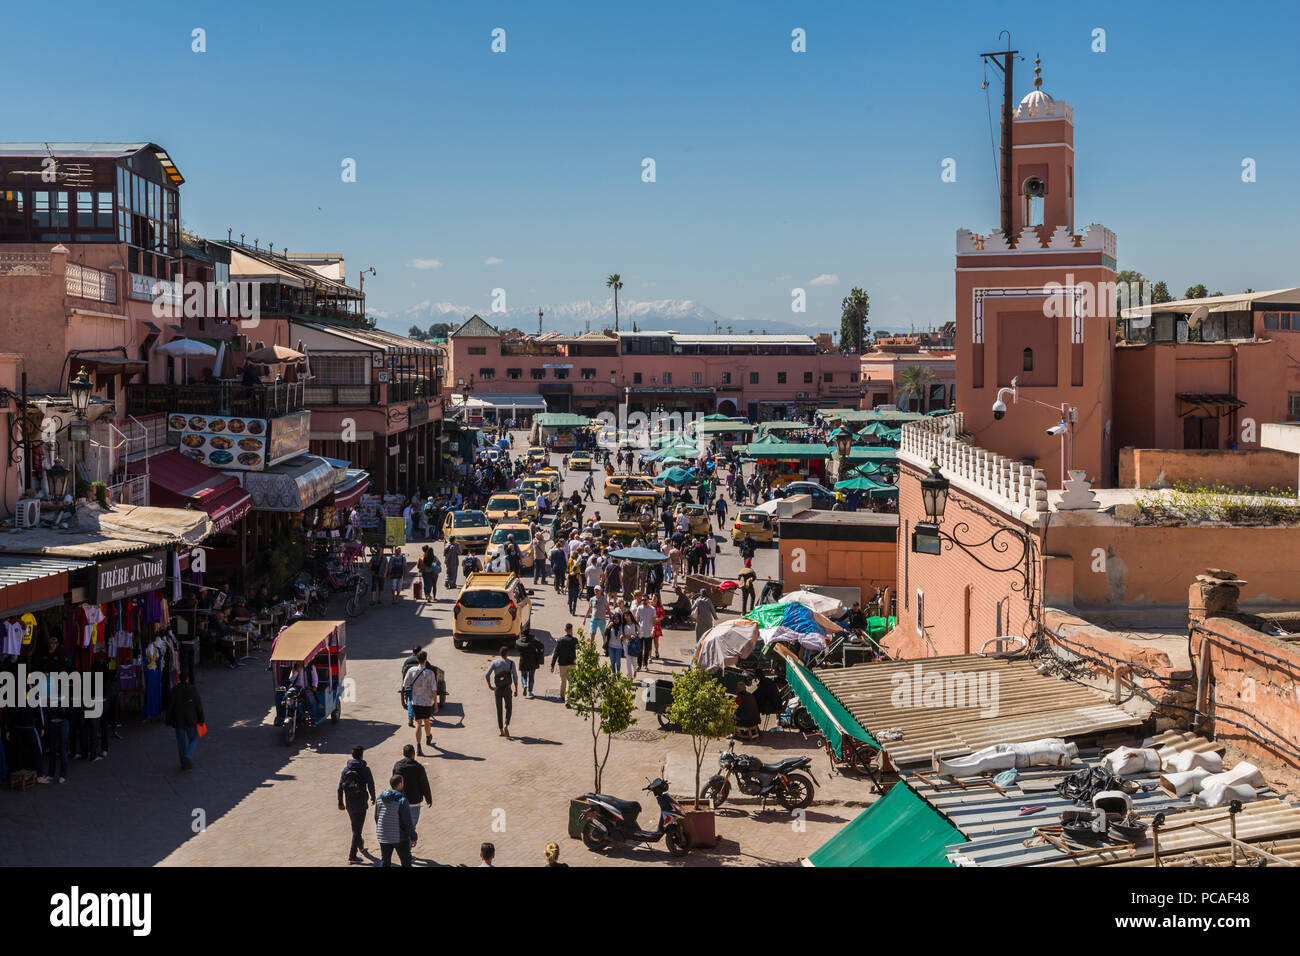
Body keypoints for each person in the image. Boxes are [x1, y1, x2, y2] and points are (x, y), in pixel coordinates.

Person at [338, 745, 377, 863]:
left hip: (349, 803)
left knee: (355, 826)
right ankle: (352, 856)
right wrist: (373, 797)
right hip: (361, 803)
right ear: (361, 755)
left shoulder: (345, 770)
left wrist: (340, 802)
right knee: (357, 830)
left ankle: (360, 845)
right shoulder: (365, 769)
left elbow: (340, 788)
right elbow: (371, 784)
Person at [374, 774, 417, 867]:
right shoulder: (402, 800)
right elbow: (407, 822)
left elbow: (377, 817)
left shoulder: (379, 799)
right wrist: (413, 837)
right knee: (406, 861)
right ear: (400, 784)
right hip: (399, 837)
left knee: (385, 861)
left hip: (383, 835)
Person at [166, 674, 205, 771]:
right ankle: (189, 754)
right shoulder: (193, 689)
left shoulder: (174, 690)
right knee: (193, 738)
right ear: (187, 678)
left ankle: (183, 764)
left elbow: (169, 707)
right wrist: (201, 720)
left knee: (180, 741)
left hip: (178, 720)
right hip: (191, 719)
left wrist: (168, 721)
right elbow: (199, 706)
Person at [403, 650, 438, 755]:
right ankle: (428, 737)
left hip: (416, 701)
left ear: (417, 660)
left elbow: (405, 685)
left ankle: (418, 746)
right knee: (427, 721)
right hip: (427, 702)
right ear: (426, 660)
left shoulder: (411, 670)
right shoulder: (430, 673)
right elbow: (434, 689)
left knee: (418, 723)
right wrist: (436, 703)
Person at [392, 744, 433, 834]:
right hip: (414, 802)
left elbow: (393, 783)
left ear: (403, 753)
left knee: (402, 827)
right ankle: (407, 846)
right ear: (413, 754)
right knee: (411, 829)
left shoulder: (397, 766)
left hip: (400, 801)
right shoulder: (418, 767)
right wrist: (428, 799)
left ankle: (403, 845)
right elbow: (424, 784)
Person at [486, 645, 519, 738]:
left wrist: (490, 686)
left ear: (500, 654)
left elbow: (487, 675)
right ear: (507, 654)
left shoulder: (495, 662)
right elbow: (515, 677)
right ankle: (506, 724)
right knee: (509, 707)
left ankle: (501, 730)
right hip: (507, 689)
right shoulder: (511, 663)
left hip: (498, 689)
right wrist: (516, 689)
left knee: (499, 709)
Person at [550, 622, 579, 705]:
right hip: (571, 663)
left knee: (563, 681)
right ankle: (567, 700)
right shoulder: (574, 640)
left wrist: (552, 665)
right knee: (570, 682)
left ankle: (562, 696)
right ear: (571, 630)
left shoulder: (560, 640)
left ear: (565, 630)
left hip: (562, 664)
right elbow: (579, 648)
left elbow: (556, 654)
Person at [515, 628, 545, 699]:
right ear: (529, 632)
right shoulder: (533, 641)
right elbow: (541, 646)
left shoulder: (519, 641)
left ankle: (524, 685)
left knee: (523, 675)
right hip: (532, 661)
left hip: (523, 661)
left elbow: (517, 649)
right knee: (531, 676)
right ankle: (530, 691)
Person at [635, 595, 656, 670]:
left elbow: (654, 620)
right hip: (640, 632)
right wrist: (636, 630)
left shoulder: (652, 609)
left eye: (645, 599)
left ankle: (645, 665)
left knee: (647, 649)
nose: (643, 601)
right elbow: (637, 620)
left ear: (648, 600)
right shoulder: (639, 608)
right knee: (639, 650)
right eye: (642, 599)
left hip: (649, 632)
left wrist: (653, 629)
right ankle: (639, 665)